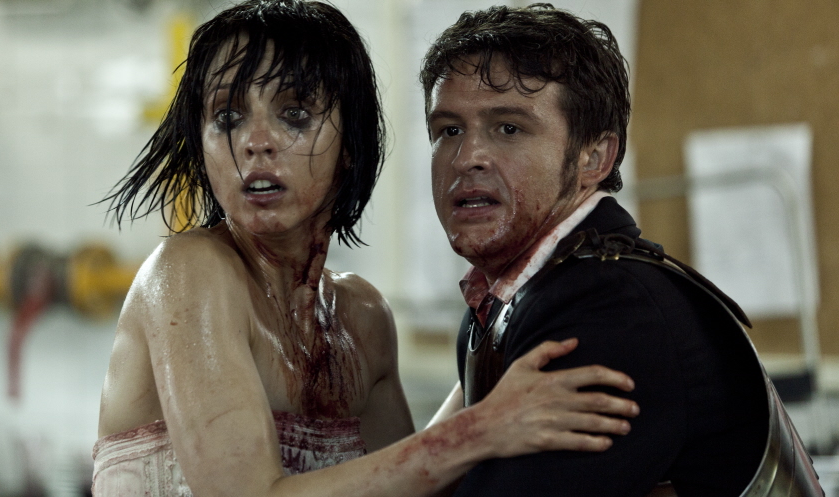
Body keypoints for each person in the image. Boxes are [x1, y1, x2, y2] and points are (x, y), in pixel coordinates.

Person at [91, 1, 642, 496]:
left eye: (295, 114)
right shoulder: (188, 272)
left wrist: (509, 348)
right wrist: (480, 428)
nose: (255, 143)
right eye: (227, 118)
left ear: (352, 143)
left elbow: (410, 480)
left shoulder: (363, 318)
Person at [420, 4, 822, 496]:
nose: (467, 158)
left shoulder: (609, 309)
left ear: (594, 157)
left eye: (509, 128)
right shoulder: (501, 302)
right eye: (449, 130)